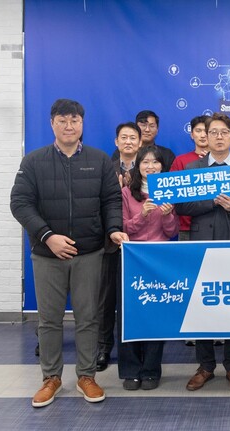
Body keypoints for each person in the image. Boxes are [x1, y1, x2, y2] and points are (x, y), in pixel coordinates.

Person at [10, 99, 128, 408]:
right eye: (62, 120)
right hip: (47, 254)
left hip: (89, 253)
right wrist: (47, 236)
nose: (68, 126)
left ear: (82, 124)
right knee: (49, 319)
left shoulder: (99, 160)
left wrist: (113, 229)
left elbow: (111, 200)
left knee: (88, 317)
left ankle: (86, 376)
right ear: (52, 124)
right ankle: (51, 377)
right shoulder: (33, 161)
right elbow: (20, 203)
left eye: (74, 120)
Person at [175, 112, 230, 393]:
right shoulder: (193, 168)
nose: (219, 137)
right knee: (201, 305)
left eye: (224, 132)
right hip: (201, 244)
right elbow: (182, 207)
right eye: (213, 132)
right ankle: (205, 366)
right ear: (205, 136)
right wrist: (211, 201)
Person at [119, 146, 178, 390]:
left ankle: (151, 370)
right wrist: (142, 214)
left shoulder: (168, 192)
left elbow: (172, 232)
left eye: (155, 162)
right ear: (138, 165)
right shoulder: (126, 193)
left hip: (159, 259)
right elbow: (124, 228)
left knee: (156, 315)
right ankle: (131, 371)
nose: (150, 167)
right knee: (130, 315)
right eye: (145, 162)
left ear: (163, 167)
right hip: (133, 258)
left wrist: (167, 215)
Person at [96, 122, 141, 373]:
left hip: (141, 247)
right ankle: (103, 347)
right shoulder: (104, 168)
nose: (128, 142)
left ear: (140, 142)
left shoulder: (149, 169)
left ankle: (140, 346)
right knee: (106, 299)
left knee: (138, 299)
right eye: (124, 137)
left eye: (133, 137)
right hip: (110, 244)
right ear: (116, 142)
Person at [170, 115, 211, 242]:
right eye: (198, 131)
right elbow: (173, 192)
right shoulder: (180, 160)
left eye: (206, 131)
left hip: (215, 226)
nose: (203, 135)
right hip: (186, 228)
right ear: (192, 135)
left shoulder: (222, 161)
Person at [111, 110, 176, 172]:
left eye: (152, 126)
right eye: (143, 125)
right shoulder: (122, 153)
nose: (147, 129)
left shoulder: (167, 155)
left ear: (157, 130)